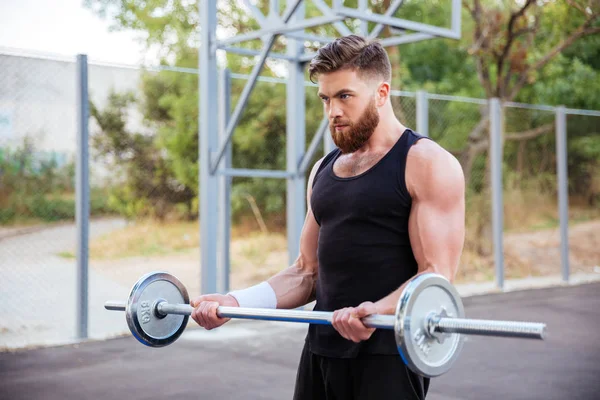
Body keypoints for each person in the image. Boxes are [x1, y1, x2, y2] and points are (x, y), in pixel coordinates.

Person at [190, 34, 465, 400]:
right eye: (326, 98)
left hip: (388, 355)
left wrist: (376, 310)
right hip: (321, 348)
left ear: (381, 93)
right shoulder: (323, 169)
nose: (332, 111)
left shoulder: (426, 163)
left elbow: (436, 276)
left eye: (344, 96)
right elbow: (307, 272)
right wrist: (236, 302)